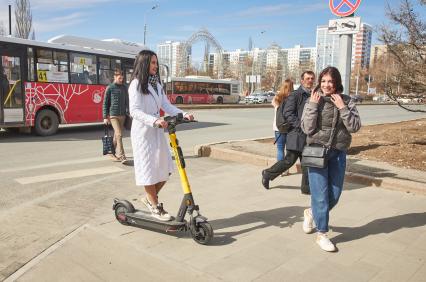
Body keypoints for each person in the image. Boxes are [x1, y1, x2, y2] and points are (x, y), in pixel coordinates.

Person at [128, 50, 194, 221]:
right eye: (152, 63)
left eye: (156, 63)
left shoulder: (157, 85)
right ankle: (154, 205)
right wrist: (154, 120)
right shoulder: (136, 84)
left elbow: (166, 105)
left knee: (166, 168)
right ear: (144, 63)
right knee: (148, 169)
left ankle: (150, 199)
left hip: (157, 131)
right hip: (143, 133)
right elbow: (134, 111)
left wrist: (183, 114)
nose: (155, 66)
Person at [301, 66, 361, 252]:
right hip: (317, 152)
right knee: (320, 195)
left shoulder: (348, 101)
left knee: (334, 195)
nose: (326, 85)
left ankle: (311, 212)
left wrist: (342, 107)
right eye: (324, 81)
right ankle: (322, 234)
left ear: (337, 83)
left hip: (338, 153)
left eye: (330, 81)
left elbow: (355, 127)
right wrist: (311, 105)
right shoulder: (313, 100)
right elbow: (307, 129)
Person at [261, 71, 315, 194]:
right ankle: (267, 174)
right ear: (302, 80)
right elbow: (288, 113)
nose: (310, 81)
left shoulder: (312, 95)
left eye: (312, 78)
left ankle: (306, 188)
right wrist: (301, 126)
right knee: (289, 161)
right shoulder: (295, 95)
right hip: (296, 134)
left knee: (306, 162)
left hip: (307, 135)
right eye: (307, 78)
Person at [103, 69, 129, 164]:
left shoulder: (124, 88)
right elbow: (105, 103)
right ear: (114, 77)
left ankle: (111, 152)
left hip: (123, 116)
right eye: (119, 78)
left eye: (122, 78)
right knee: (119, 135)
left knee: (116, 136)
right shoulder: (110, 88)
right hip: (113, 116)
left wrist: (130, 112)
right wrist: (105, 117)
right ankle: (122, 156)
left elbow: (127, 101)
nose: (121, 80)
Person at [272, 79, 294, 161]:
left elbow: (274, 106)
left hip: (278, 127)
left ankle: (280, 170)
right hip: (290, 127)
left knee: (280, 149)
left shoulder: (276, 98)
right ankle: (286, 169)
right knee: (289, 149)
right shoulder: (293, 98)